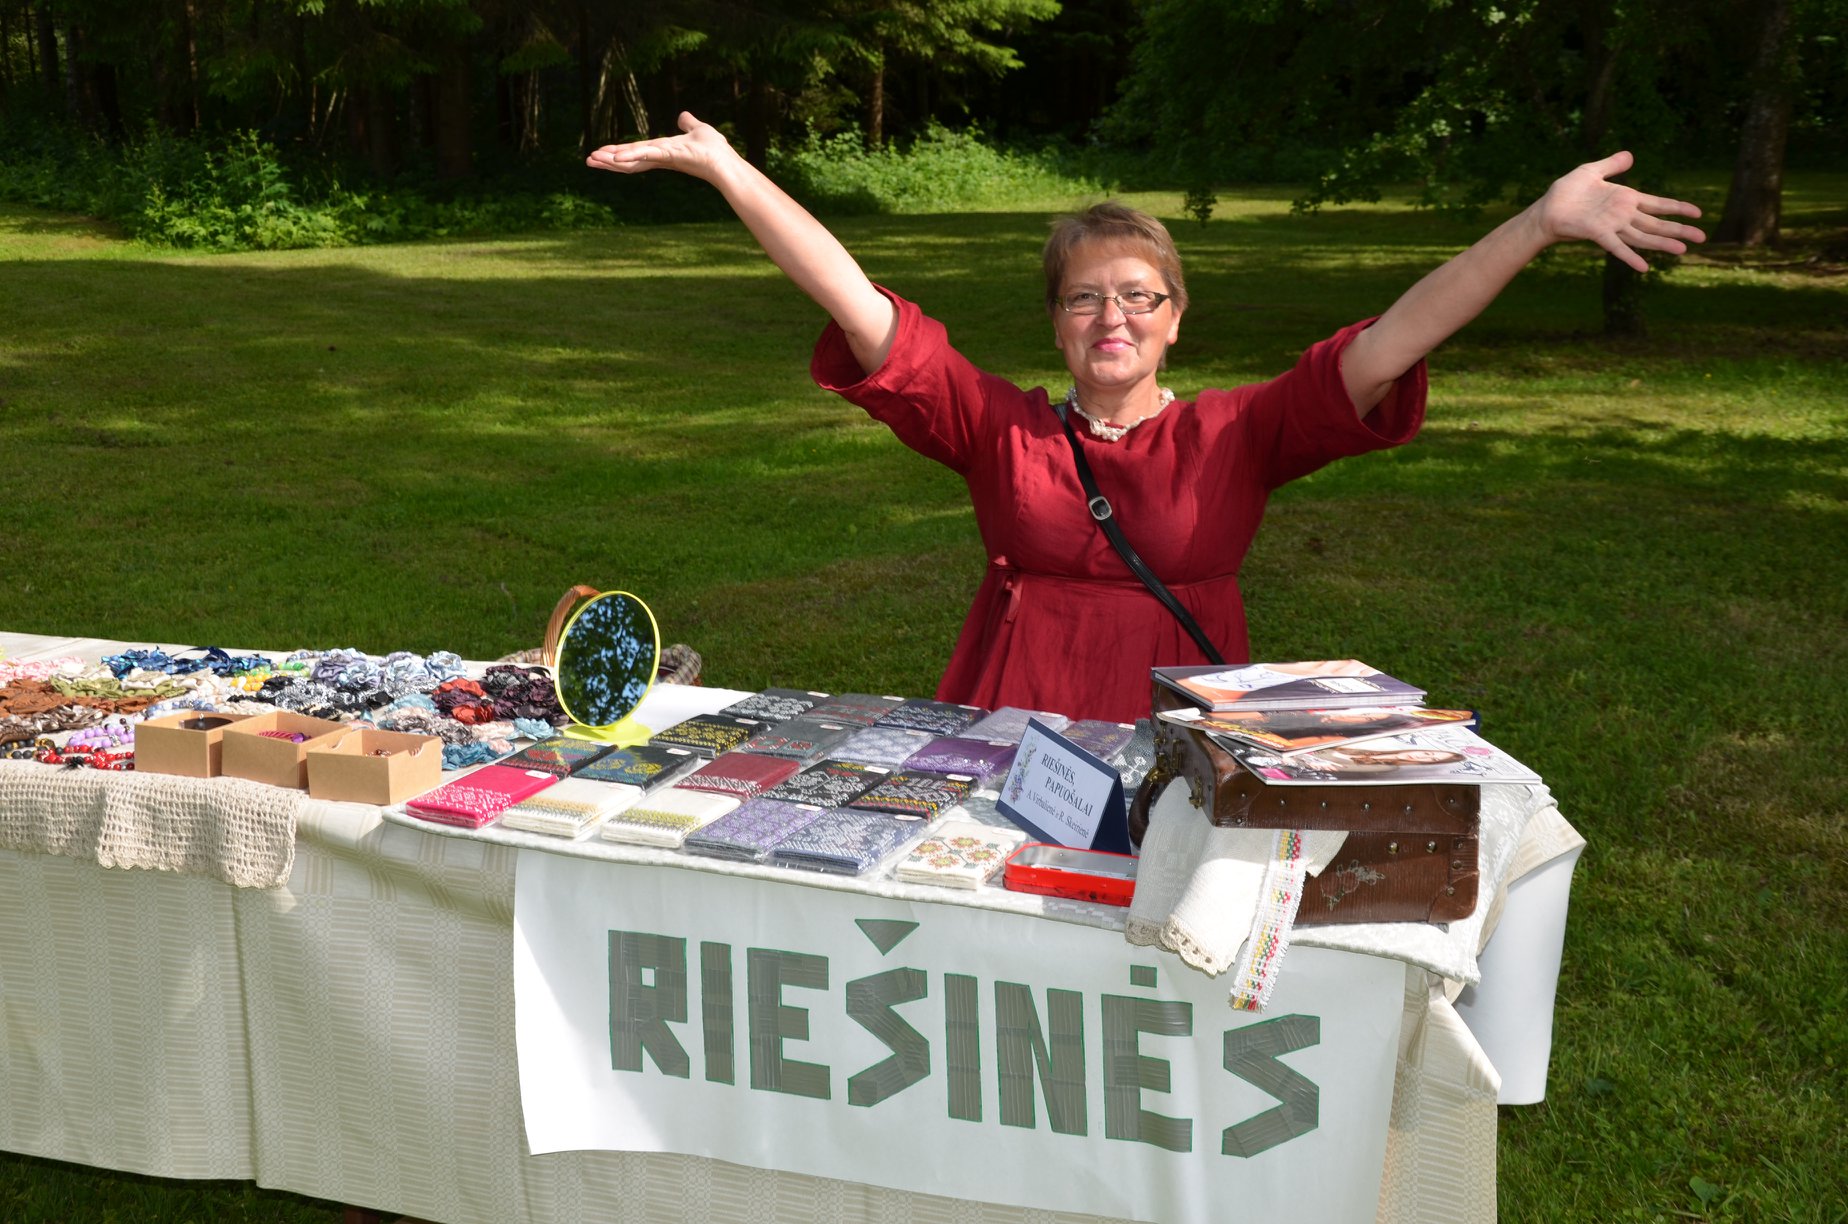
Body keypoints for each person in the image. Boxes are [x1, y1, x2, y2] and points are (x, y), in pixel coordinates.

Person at [588, 114, 1703, 723]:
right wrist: (733, 173)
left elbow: (1395, 339)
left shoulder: (1240, 431)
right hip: (1006, 717)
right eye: (1084, 296)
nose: (1111, 315)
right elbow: (857, 301)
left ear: (1175, 320)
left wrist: (1535, 225)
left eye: (1138, 296)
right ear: (1058, 321)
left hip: (1179, 721)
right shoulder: (999, 426)